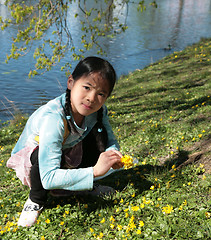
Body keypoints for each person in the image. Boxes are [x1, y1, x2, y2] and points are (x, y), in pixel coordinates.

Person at [7, 56, 124, 227]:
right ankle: (35, 200)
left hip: (70, 146)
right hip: (37, 157)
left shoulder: (99, 111)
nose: (91, 98)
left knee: (99, 135)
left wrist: (113, 153)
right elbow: (48, 177)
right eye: (86, 87)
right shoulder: (53, 119)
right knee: (40, 156)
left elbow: (110, 139)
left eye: (101, 94)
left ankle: (85, 187)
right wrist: (94, 171)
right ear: (70, 82)